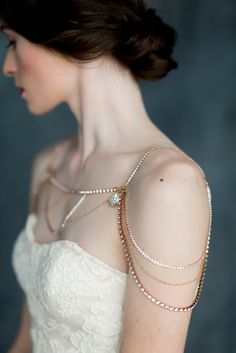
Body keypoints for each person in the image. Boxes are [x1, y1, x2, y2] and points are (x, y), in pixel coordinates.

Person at [0, 1, 212, 352]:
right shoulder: (48, 166)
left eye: (12, 42)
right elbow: (26, 340)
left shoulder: (167, 185)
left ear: (66, 31)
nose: (8, 68)